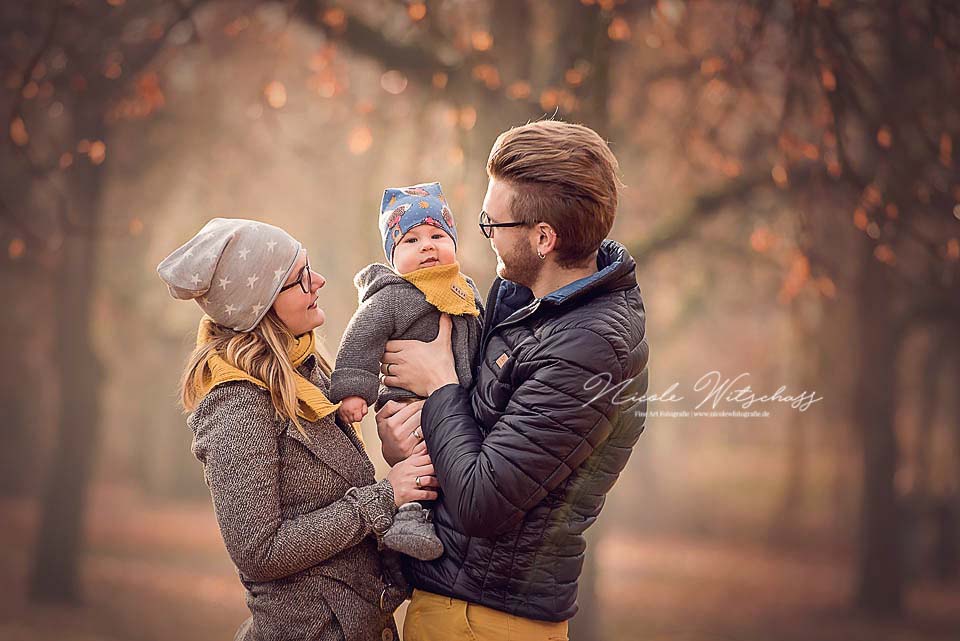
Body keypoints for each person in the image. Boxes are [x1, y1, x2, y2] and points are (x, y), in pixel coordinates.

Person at [375, 120, 650, 641]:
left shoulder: (587, 349)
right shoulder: (529, 303)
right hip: (459, 603)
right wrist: (406, 439)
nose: (486, 237)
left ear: (543, 238)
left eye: (493, 225)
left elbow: (483, 501)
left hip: (486, 623)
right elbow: (475, 433)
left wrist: (438, 389)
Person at [157, 218, 438, 641]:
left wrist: (396, 456)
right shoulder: (238, 402)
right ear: (261, 301)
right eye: (300, 279)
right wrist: (384, 496)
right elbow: (259, 551)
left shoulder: (306, 372)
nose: (318, 281)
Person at [328, 182, 483, 562]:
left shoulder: (467, 292)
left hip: (457, 405)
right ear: (393, 257)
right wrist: (353, 390)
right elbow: (361, 337)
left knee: (451, 468)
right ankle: (408, 520)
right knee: (420, 465)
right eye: (411, 240)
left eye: (436, 235)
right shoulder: (394, 296)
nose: (427, 245)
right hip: (409, 405)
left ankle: (428, 527)